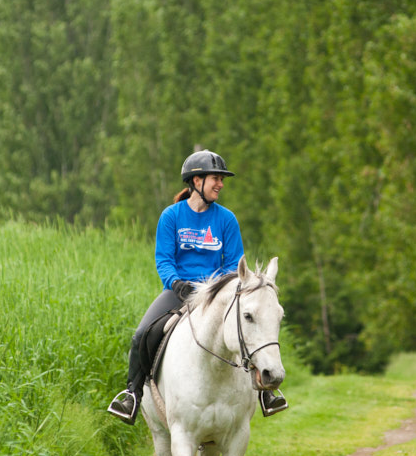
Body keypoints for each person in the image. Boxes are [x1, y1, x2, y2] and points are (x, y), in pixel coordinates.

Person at [107, 149, 288, 425]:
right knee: (142, 333)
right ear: (196, 181)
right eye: (216, 178)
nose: (221, 184)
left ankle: (265, 392)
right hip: (179, 291)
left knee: (248, 329)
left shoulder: (226, 219)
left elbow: (235, 265)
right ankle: (132, 394)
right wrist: (177, 283)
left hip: (218, 295)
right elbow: (164, 259)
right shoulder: (171, 216)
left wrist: (221, 290)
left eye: (221, 179)